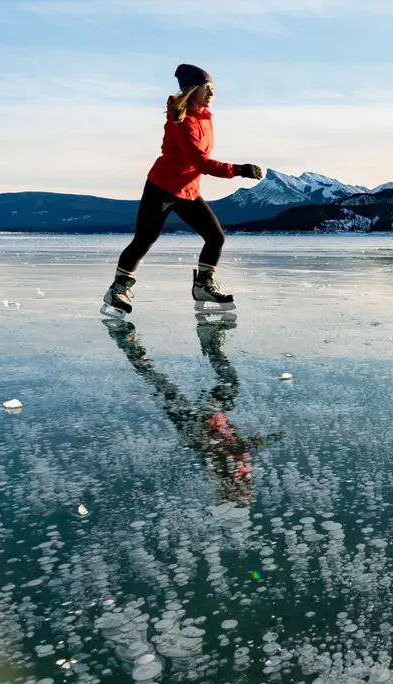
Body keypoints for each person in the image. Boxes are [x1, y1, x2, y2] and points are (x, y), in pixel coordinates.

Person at [101, 63, 264, 318]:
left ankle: (203, 287)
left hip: (187, 189)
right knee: (145, 238)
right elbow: (200, 161)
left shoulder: (204, 118)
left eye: (212, 89)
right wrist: (239, 169)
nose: (211, 93)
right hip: (162, 187)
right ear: (192, 90)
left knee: (216, 237)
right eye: (206, 88)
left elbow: (196, 164)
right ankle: (117, 289)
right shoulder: (183, 120)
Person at [104, 315, 283, 505]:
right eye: (247, 492)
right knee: (222, 384)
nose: (247, 488)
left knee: (162, 382)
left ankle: (129, 343)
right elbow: (242, 447)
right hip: (205, 420)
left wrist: (266, 440)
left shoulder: (226, 470)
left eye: (243, 492)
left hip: (194, 422)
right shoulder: (234, 472)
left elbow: (240, 446)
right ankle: (209, 341)